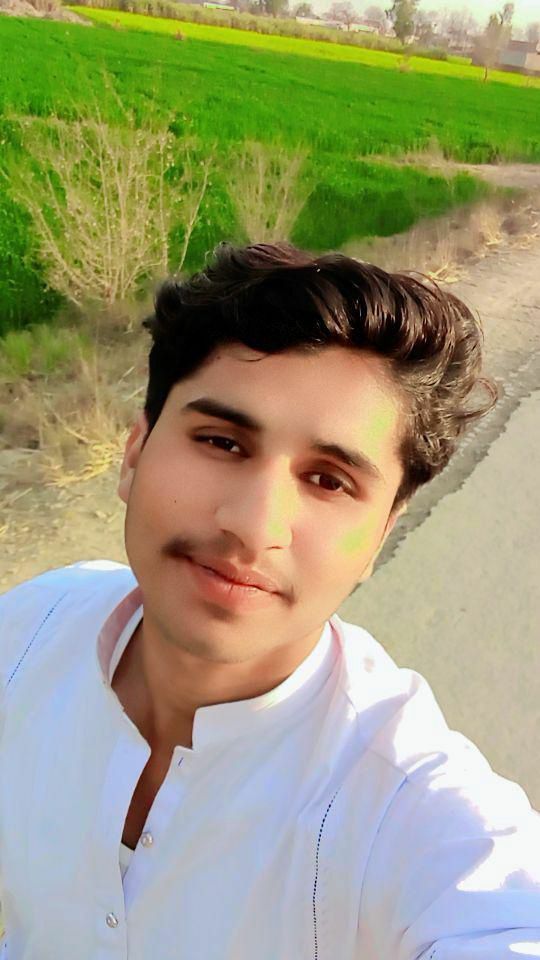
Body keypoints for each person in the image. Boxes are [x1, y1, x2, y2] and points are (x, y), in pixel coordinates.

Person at [1, 241, 539, 960]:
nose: (254, 527)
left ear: (380, 535)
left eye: (329, 481)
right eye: (221, 442)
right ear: (133, 454)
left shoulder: (413, 808)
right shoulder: (30, 631)